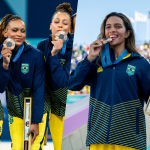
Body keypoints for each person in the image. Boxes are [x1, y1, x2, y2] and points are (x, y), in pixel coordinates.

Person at [69, 12, 150, 150]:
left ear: (127, 33)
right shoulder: (95, 63)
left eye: (118, 26)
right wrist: (89, 59)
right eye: (108, 27)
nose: (112, 30)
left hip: (130, 140)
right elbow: (73, 84)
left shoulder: (140, 64)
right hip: (99, 139)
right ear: (104, 33)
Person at [0, 14, 46, 150]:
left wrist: (35, 121)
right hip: (15, 110)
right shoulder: (1, 54)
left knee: (34, 148)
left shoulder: (36, 55)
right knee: (18, 148)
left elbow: (39, 88)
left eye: (23, 31)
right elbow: (1, 88)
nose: (19, 34)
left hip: (36, 111)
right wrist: (5, 65)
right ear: (5, 32)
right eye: (15, 30)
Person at [37, 3, 73, 150]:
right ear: (50, 26)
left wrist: (56, 55)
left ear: (70, 29)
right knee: (36, 141)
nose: (60, 26)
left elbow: (63, 81)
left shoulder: (74, 48)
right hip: (43, 99)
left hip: (62, 103)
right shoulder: (42, 46)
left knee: (61, 145)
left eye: (65, 23)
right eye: (56, 22)